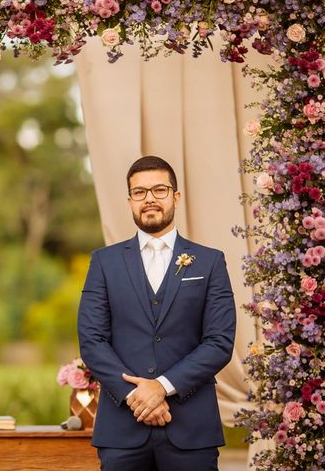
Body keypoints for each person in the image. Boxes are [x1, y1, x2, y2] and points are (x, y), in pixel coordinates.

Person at [77, 156, 236, 470]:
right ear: (129, 201)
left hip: (191, 429)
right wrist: (136, 397)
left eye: (159, 190)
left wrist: (162, 387)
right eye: (139, 192)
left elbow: (219, 341)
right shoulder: (103, 262)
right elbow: (92, 340)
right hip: (122, 429)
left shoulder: (209, 262)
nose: (149, 198)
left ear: (176, 197)